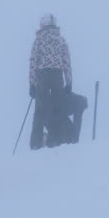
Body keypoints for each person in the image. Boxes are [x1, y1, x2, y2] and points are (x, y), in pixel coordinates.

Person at [28, 13, 74, 149]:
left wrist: (31, 84)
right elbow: (66, 62)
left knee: (40, 111)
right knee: (57, 110)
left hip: (42, 77)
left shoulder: (38, 41)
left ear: (43, 25)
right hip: (57, 76)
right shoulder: (61, 40)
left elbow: (33, 63)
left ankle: (35, 144)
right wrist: (69, 82)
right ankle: (57, 140)